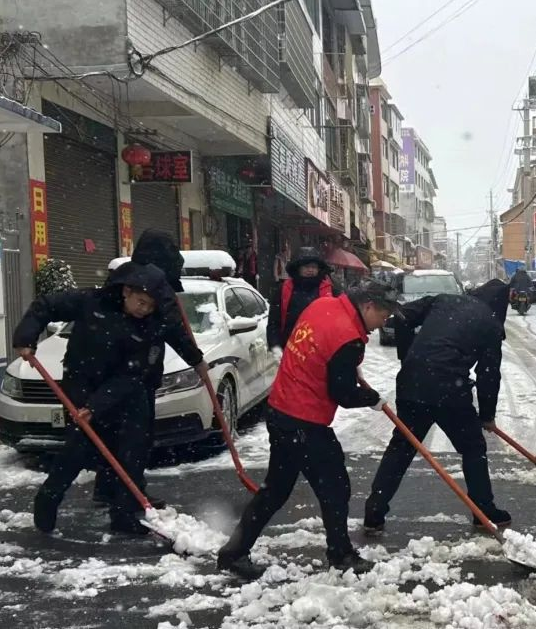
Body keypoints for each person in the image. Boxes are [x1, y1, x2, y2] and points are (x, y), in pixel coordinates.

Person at [217, 280, 400, 580]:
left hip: (280, 409)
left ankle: (233, 553)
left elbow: (318, 348)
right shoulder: (349, 339)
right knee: (335, 487)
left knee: (275, 490)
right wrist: (371, 399)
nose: (384, 323)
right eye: (383, 315)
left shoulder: (323, 306)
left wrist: (344, 364)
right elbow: (341, 392)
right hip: (304, 420)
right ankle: (340, 555)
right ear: (367, 306)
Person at [12, 261, 209, 536]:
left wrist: (97, 406)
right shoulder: (90, 302)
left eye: (150, 306)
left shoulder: (149, 326)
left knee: (133, 450)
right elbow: (45, 305)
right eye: (141, 302)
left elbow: (132, 374)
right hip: (82, 382)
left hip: (127, 389)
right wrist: (26, 337)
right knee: (78, 448)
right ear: (126, 291)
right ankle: (48, 497)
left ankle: (124, 516)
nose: (144, 310)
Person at [363, 279, 511, 534]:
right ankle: (484, 510)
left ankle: (374, 512)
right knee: (473, 449)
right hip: (450, 391)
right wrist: (487, 416)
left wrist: (411, 358)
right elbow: (489, 374)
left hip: (412, 383)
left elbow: (401, 316)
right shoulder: (491, 323)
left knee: (401, 447)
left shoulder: (443, 300)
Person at [93, 229, 200, 510]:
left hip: (109, 370)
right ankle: (131, 493)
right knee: (136, 439)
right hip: (138, 371)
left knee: (112, 434)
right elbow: (174, 327)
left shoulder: (124, 274)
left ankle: (107, 487)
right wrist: (195, 358)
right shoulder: (155, 281)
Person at [267, 247, 339, 357]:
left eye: (314, 267)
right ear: (298, 268)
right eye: (306, 266)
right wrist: (275, 345)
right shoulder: (284, 290)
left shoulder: (330, 290)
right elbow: (274, 322)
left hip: (322, 352)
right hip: (290, 351)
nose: (310, 270)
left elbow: (339, 323)